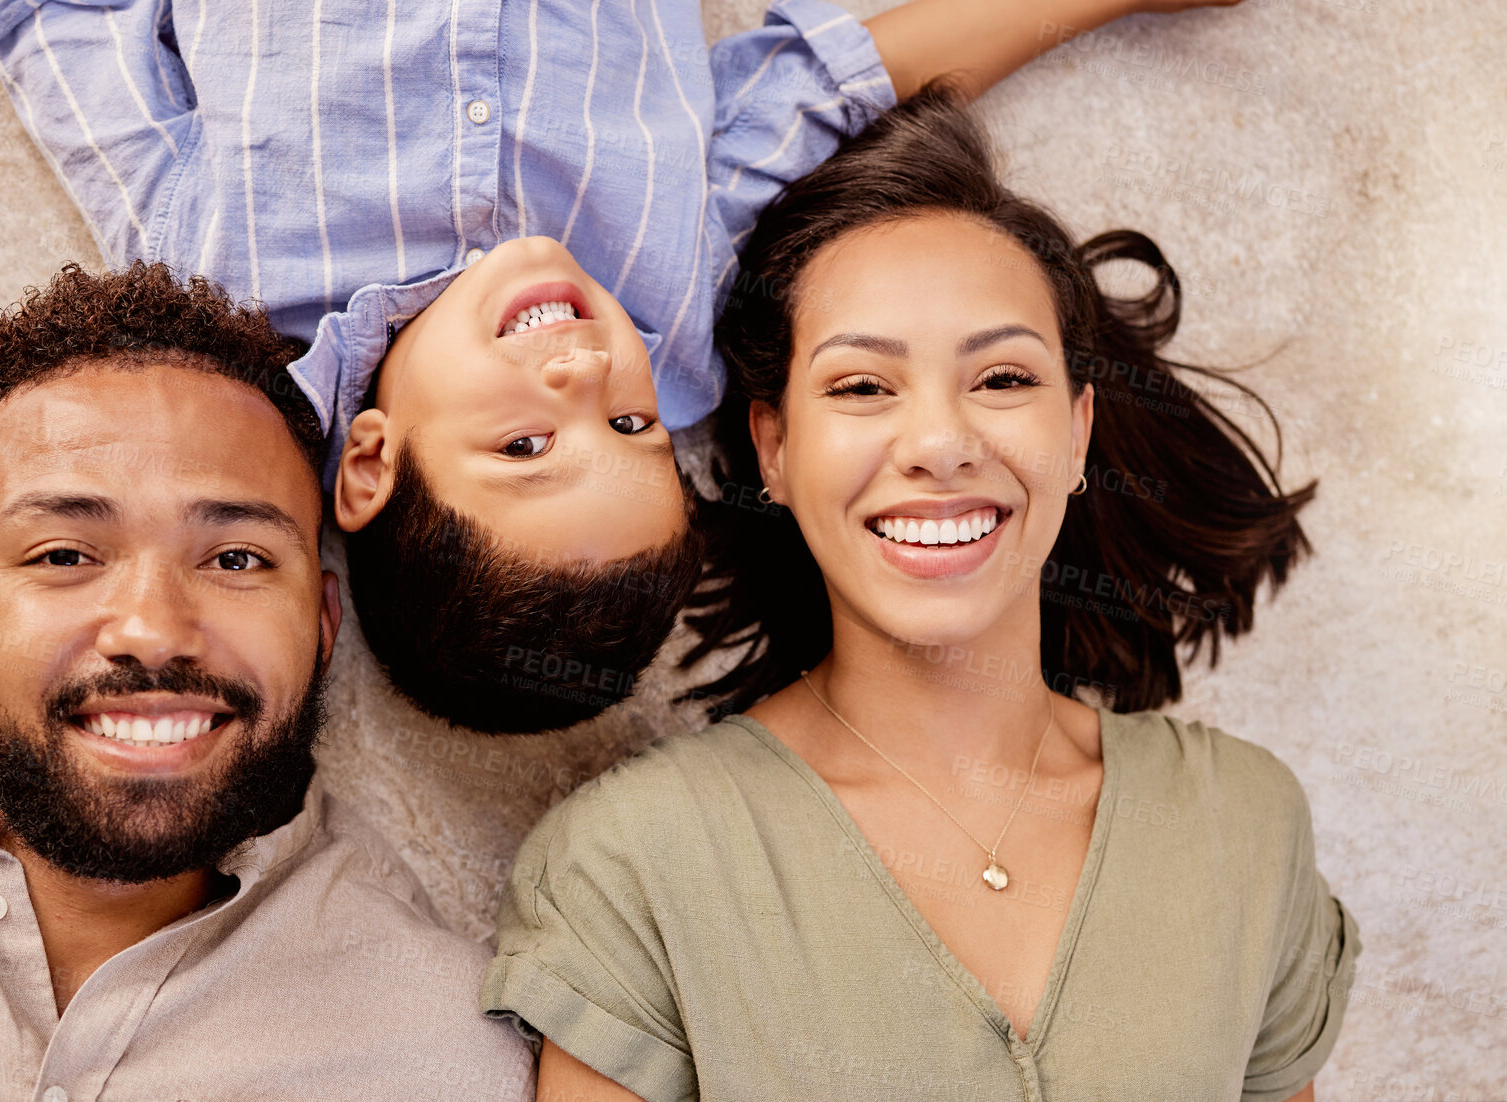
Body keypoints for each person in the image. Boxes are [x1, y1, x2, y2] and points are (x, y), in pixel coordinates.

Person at [0, 0, 1235, 733]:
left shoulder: (223, 281)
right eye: (630, 430)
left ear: (366, 460)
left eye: (523, 448)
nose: (581, 377)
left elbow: (56, 30)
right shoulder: (674, 309)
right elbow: (834, 84)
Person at [481, 86, 1358, 1101]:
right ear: (774, 446)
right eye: (862, 387)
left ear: (1076, 435)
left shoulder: (1243, 825)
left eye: (1002, 381)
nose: (941, 445)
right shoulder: (632, 865)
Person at [0, 263, 532, 1100]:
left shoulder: (447, 1056)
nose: (153, 630)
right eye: (64, 556)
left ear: (319, 627)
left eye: (235, 558)